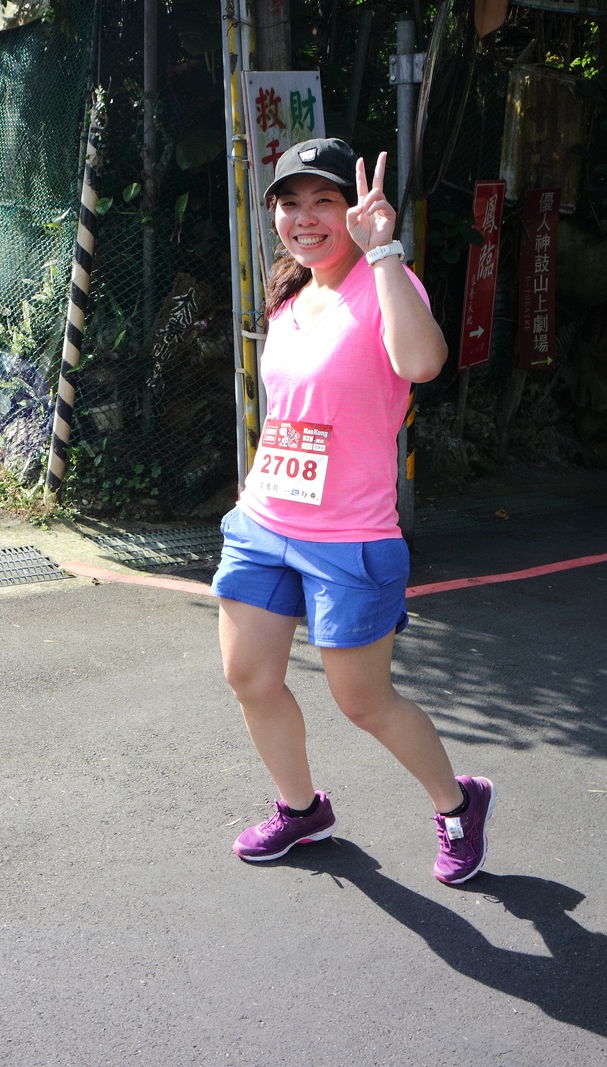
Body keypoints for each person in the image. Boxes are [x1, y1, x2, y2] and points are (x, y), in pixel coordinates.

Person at [213, 138, 496, 884]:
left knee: (362, 700)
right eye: (290, 203)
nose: (304, 218)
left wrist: (385, 251)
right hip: (264, 523)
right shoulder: (290, 296)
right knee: (249, 677)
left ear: (355, 211)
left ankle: (458, 803)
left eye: (325, 202)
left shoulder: (386, 284)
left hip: (350, 537)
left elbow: (422, 363)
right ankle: (301, 809)